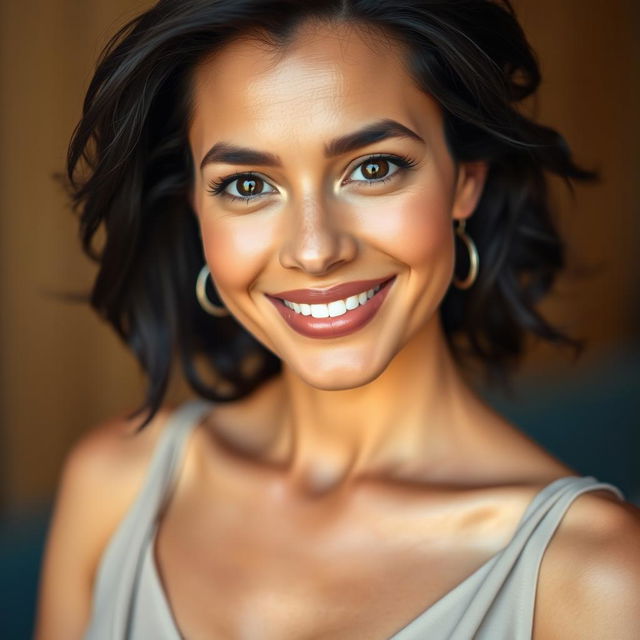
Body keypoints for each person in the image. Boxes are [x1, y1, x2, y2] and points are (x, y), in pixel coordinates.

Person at [35, 1, 640, 638]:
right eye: (246, 185)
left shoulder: (597, 577)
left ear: (465, 180)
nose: (315, 249)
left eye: (373, 168)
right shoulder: (113, 485)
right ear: (195, 208)